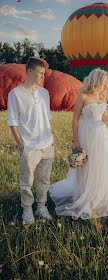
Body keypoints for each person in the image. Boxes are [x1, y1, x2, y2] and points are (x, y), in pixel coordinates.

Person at [49, 68, 108, 220]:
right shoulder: (83, 96)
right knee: (87, 165)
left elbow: (103, 118)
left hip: (101, 134)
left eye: (106, 82)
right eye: (103, 81)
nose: (105, 84)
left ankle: (98, 193)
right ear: (96, 80)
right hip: (86, 133)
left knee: (100, 164)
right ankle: (84, 194)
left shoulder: (101, 96)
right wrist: (75, 140)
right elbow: (75, 119)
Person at [7, 57, 54, 224]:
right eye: (40, 73)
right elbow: (12, 122)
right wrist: (22, 146)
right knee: (26, 182)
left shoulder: (44, 93)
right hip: (29, 147)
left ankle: (41, 207)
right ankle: (27, 210)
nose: (43, 77)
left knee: (44, 179)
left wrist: (50, 136)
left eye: (44, 73)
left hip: (47, 144)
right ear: (30, 71)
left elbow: (47, 117)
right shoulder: (15, 94)